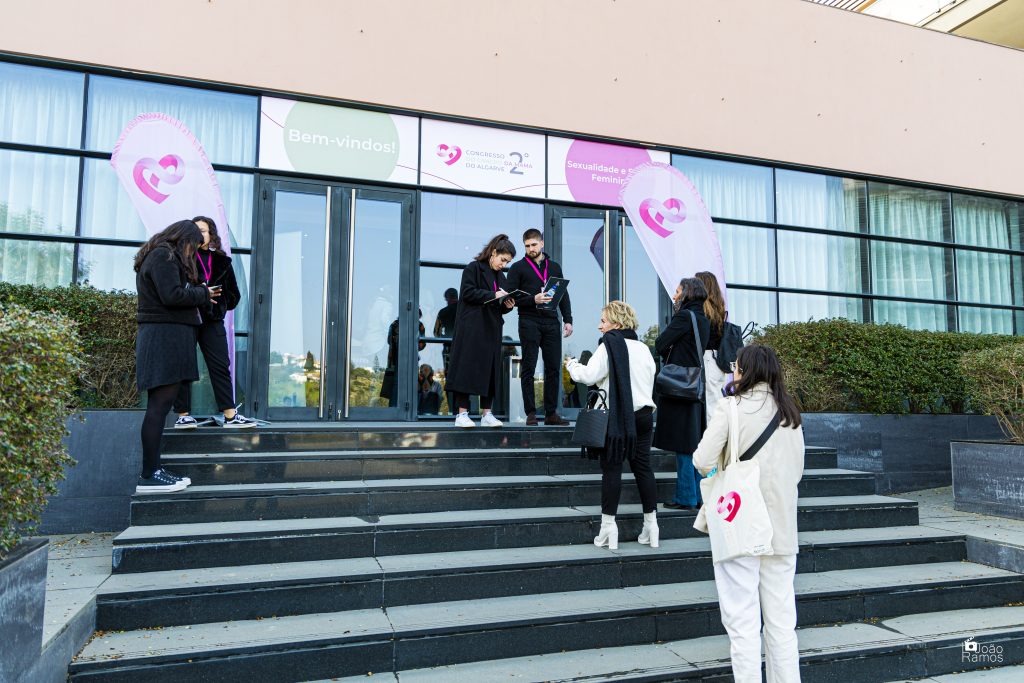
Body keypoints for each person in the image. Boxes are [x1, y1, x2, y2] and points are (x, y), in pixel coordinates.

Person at [693, 344, 805, 683]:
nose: (732, 371)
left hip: (740, 524)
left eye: (735, 366)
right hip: (782, 528)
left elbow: (701, 461)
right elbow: (797, 471)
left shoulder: (731, 407)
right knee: (782, 625)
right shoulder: (790, 414)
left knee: (742, 625)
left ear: (746, 371)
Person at [134, 219, 218, 493]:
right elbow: (172, 295)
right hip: (164, 339)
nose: (193, 252)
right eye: (193, 246)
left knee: (161, 406)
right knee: (158, 407)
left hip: (168, 338)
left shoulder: (161, 254)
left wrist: (199, 292)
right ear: (184, 239)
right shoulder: (163, 255)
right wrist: (202, 292)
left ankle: (153, 470)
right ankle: (149, 474)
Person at [565, 301, 658, 550]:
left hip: (617, 419)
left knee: (612, 470)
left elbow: (589, 376)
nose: (599, 326)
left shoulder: (609, 346)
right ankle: (652, 526)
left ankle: (608, 529)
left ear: (616, 324)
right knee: (643, 469)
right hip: (644, 417)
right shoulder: (644, 349)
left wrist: (572, 365)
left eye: (603, 321)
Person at [172, 216, 257, 429]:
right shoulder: (181, 258)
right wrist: (198, 295)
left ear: (212, 235)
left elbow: (234, 296)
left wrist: (219, 302)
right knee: (183, 365)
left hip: (212, 320)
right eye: (196, 230)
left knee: (220, 366)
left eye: (204, 230)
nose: (200, 234)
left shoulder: (222, 261)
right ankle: (183, 415)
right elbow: (174, 291)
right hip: (186, 318)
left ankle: (230, 415)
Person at [445, 234, 517, 428]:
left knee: (491, 370)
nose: (504, 264)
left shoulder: (501, 276)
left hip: (492, 328)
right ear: (494, 252)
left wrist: (508, 305)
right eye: (503, 260)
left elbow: (499, 305)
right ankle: (462, 414)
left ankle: (487, 413)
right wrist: (494, 294)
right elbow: (467, 293)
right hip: (472, 327)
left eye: (508, 262)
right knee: (467, 368)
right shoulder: (473, 268)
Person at [654, 277, 711, 510]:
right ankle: (697, 496)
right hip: (695, 387)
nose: (675, 296)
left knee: (683, 445)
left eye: (677, 291)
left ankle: (685, 496)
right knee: (694, 443)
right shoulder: (703, 319)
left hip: (680, 389)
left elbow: (660, 344)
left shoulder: (684, 317)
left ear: (687, 293)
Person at [506, 228, 572, 426]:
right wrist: (532, 299)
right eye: (527, 246)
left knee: (553, 368)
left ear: (542, 243)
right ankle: (531, 413)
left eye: (534, 245)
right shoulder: (517, 268)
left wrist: (568, 319)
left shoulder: (554, 267)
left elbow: (563, 294)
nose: (531, 249)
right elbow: (511, 297)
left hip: (552, 321)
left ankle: (551, 413)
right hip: (529, 320)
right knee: (529, 366)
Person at [695, 271, 730, 419]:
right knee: (714, 401)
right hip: (717, 361)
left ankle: (714, 439)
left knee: (711, 405)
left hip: (708, 360)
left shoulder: (704, 312)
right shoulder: (719, 309)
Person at [434, 288, 459, 415]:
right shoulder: (465, 310)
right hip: (465, 348)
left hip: (449, 349)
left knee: (450, 379)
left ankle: (452, 409)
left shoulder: (443, 312)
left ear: (447, 298)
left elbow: (436, 333)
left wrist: (445, 337)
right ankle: (465, 409)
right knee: (464, 377)